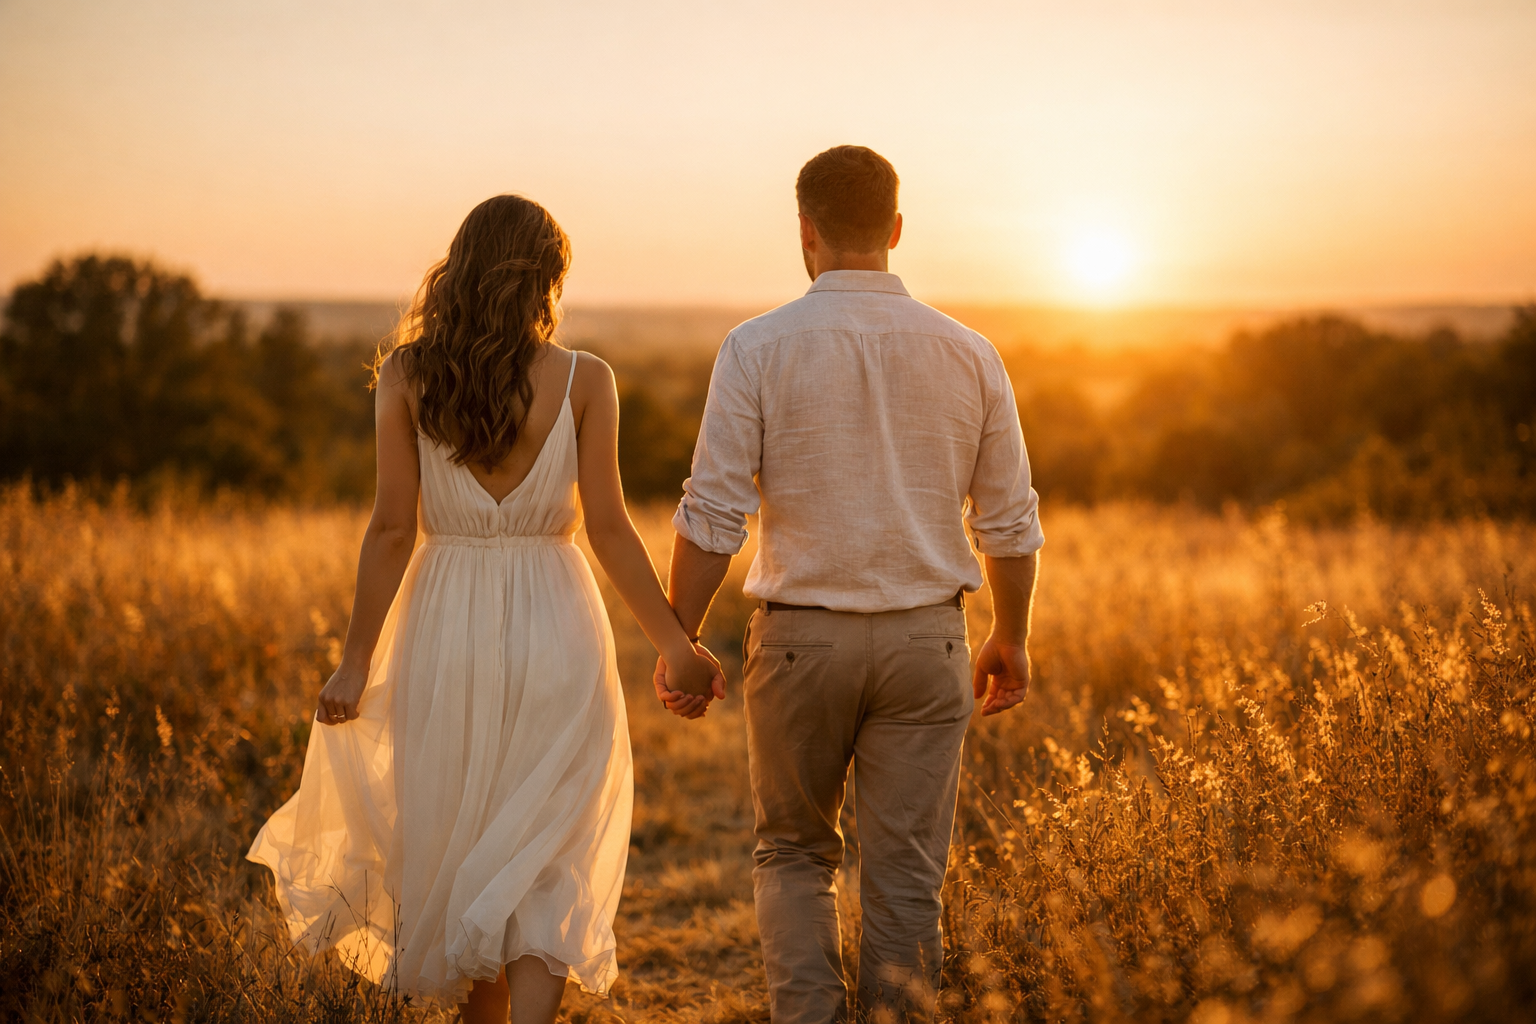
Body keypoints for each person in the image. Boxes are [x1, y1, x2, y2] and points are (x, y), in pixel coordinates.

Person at [248, 194, 722, 1024]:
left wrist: (356, 661)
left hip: (444, 624)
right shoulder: (586, 380)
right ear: (547, 278)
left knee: (470, 844)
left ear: (459, 267)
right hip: (556, 622)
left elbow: (393, 527)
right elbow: (609, 528)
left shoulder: (406, 375)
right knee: (548, 847)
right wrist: (675, 643)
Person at [659, 145, 1043, 1024]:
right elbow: (1010, 522)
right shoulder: (972, 353)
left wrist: (680, 638)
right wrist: (1011, 634)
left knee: (794, 856)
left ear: (806, 232)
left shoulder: (753, 348)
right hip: (926, 641)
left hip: (800, 643)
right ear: (897, 230)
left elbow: (712, 516)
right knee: (908, 874)